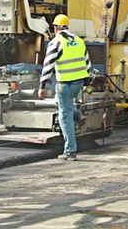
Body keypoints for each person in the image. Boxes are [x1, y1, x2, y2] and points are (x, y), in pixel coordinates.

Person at [38, 14, 91, 161]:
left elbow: (48, 66)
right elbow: (87, 63)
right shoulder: (79, 41)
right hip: (78, 83)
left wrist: (42, 85)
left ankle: (70, 151)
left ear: (55, 28)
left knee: (64, 115)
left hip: (65, 85)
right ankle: (77, 115)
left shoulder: (56, 42)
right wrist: (86, 83)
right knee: (64, 106)